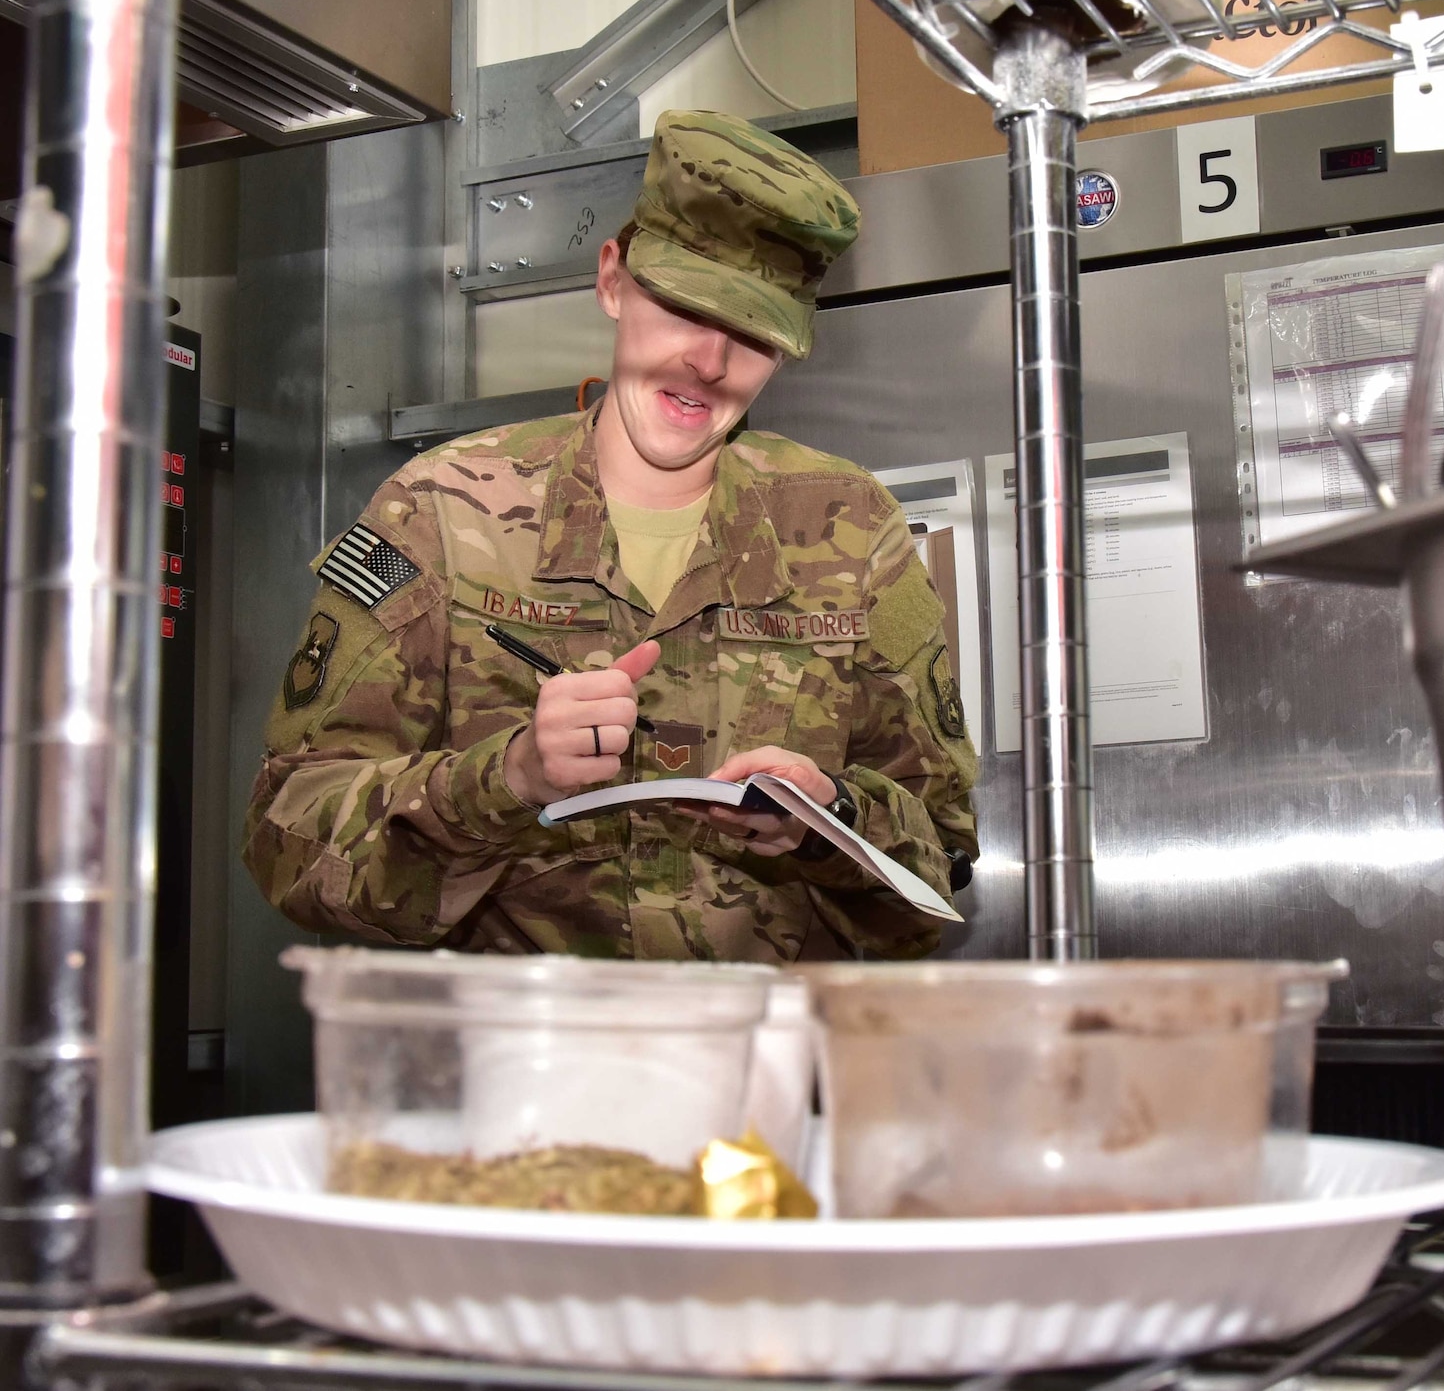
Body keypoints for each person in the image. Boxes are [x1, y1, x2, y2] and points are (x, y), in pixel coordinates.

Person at [242, 110, 977, 963]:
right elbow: (287, 840)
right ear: (614, 282)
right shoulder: (441, 509)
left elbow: (943, 870)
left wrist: (828, 820)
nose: (708, 360)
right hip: (523, 1072)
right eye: (684, 306)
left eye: (753, 331)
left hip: (755, 1079)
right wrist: (507, 778)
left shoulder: (852, 532)